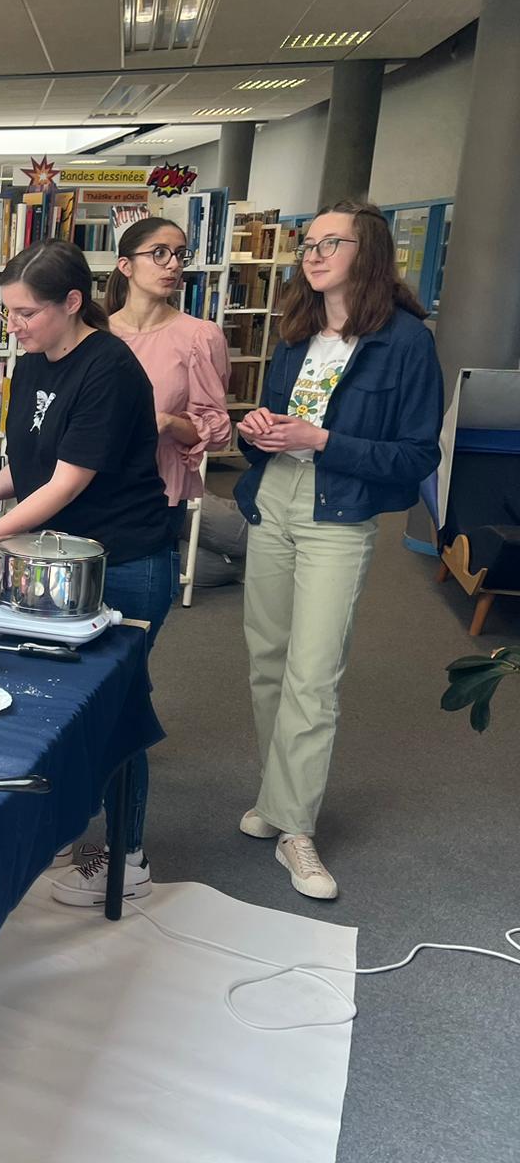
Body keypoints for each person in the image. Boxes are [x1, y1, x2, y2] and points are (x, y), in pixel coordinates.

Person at [0, 239, 172, 908]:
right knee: (60, 706)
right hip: (54, 562)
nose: (13, 326)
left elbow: (70, 482)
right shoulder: (35, 362)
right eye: (7, 312)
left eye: (26, 313)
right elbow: (37, 461)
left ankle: (128, 853)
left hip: (124, 563)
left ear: (72, 303)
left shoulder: (111, 370)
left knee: (117, 710)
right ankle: (72, 830)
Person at [235, 199, 442, 899]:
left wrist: (321, 441)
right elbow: (267, 422)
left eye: (332, 241)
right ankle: (276, 795)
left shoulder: (407, 341)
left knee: (313, 674)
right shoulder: (295, 331)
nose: (313, 253)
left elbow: (415, 455)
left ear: (371, 251)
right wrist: (256, 428)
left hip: (338, 509)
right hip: (274, 499)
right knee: (267, 658)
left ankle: (296, 828)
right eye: (308, 242)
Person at [105, 216, 232, 547]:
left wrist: (167, 423)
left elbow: (215, 428)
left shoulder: (199, 336)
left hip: (157, 490)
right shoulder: (98, 334)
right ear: (126, 265)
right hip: (94, 481)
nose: (173, 264)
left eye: (179, 254)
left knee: (145, 587)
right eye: (159, 253)